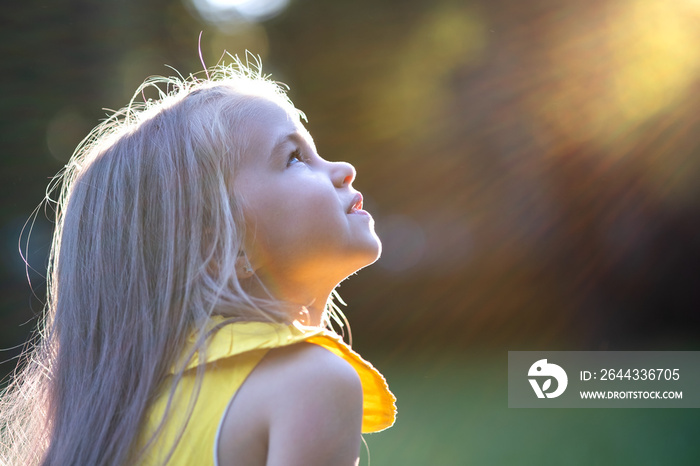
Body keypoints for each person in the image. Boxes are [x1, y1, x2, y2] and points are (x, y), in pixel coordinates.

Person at [0, 57, 396, 465]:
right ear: (220, 245)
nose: (344, 169)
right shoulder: (314, 382)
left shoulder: (119, 414)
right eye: (294, 157)